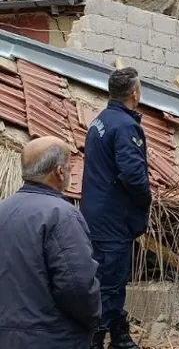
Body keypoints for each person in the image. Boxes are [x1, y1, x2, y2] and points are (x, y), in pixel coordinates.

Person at [0, 136, 101, 348]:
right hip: (51, 338)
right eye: (68, 165)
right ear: (59, 171)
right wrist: (93, 321)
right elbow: (78, 286)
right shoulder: (62, 215)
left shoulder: (4, 211)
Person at [82, 67, 150, 349]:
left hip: (98, 214)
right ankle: (97, 340)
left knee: (108, 279)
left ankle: (119, 336)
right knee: (109, 282)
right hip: (112, 218)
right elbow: (133, 175)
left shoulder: (102, 120)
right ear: (135, 93)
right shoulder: (124, 126)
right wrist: (145, 200)